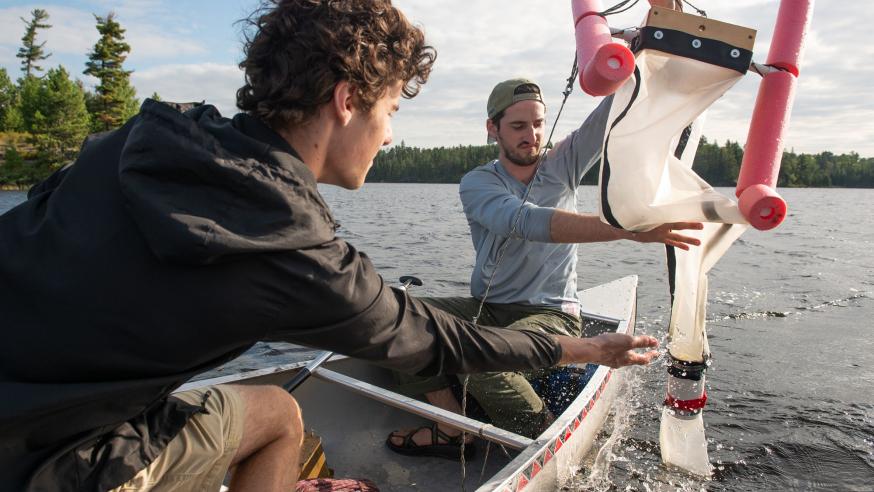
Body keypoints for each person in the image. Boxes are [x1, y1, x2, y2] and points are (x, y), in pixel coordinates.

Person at [0, 1, 662, 491]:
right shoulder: (289, 248)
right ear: (349, 100)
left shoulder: (138, 141)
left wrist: (644, 65)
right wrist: (588, 349)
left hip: (37, 418)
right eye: (393, 111)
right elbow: (436, 341)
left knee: (269, 406)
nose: (391, 137)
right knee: (282, 419)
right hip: (58, 467)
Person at [387, 1, 700, 457]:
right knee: (394, 318)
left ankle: (544, 441)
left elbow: (617, 105)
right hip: (487, 306)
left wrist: (654, 35)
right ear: (492, 129)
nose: (531, 135)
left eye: (537, 124)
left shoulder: (563, 162)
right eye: (517, 126)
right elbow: (520, 221)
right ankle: (451, 424)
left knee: (484, 358)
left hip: (553, 313)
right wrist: (626, 230)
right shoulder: (477, 182)